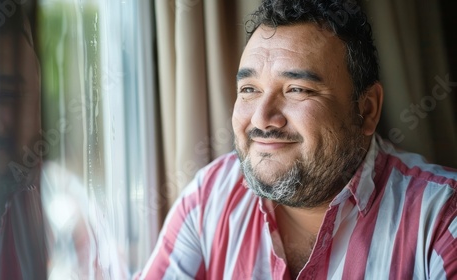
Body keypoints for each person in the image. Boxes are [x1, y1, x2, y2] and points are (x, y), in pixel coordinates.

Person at [138, 0, 457, 279]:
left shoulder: (442, 220)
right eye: (249, 90)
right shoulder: (210, 196)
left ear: (367, 110)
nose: (262, 118)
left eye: (297, 90)